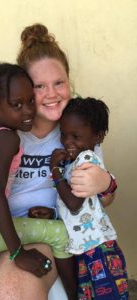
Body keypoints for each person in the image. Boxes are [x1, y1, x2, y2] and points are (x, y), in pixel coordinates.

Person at [0, 24, 115, 300]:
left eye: (60, 82)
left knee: (13, 293)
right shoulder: (4, 124)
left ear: (70, 81)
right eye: (39, 87)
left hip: (36, 233)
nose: (52, 94)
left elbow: (101, 200)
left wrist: (104, 183)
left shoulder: (79, 131)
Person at [49, 97, 129, 299]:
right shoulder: (72, 162)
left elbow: (74, 204)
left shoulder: (86, 160)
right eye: (64, 135)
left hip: (98, 247)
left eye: (76, 136)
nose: (68, 142)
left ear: (98, 137)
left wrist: (54, 171)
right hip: (85, 245)